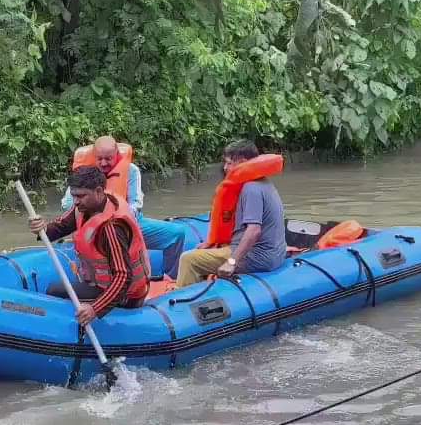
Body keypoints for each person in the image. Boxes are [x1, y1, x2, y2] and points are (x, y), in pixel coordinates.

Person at [29, 164, 152, 325]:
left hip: (127, 295)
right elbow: (62, 226)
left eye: (81, 196)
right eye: (74, 196)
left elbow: (123, 277)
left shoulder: (111, 227)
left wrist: (95, 308)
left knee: (54, 291)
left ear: (99, 191)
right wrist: (42, 229)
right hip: (101, 283)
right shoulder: (85, 206)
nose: (76, 201)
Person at [60, 136, 189, 280]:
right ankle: (91, 282)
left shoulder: (131, 170)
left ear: (116, 155)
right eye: (99, 158)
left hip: (128, 223)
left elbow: (136, 204)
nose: (103, 163)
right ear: (94, 157)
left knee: (177, 233)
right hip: (93, 227)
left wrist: (118, 221)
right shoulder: (84, 173)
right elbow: (67, 204)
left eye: (108, 158)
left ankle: (170, 279)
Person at [175, 140, 286, 287]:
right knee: (206, 250)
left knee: (188, 259)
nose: (225, 167)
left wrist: (232, 262)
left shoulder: (251, 189)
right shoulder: (263, 183)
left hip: (258, 257)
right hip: (273, 254)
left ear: (243, 162)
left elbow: (254, 231)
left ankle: (181, 305)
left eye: (229, 163)